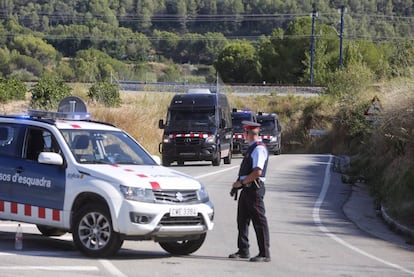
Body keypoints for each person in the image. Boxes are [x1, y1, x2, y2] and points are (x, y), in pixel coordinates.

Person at [229, 120, 271, 262]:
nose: (243, 135)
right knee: (242, 220)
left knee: (259, 221)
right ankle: (243, 250)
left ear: (248, 133)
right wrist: (238, 185)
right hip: (246, 189)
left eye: (244, 132)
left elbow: (257, 172)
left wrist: (241, 182)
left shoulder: (258, 149)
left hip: (254, 189)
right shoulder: (252, 148)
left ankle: (264, 253)